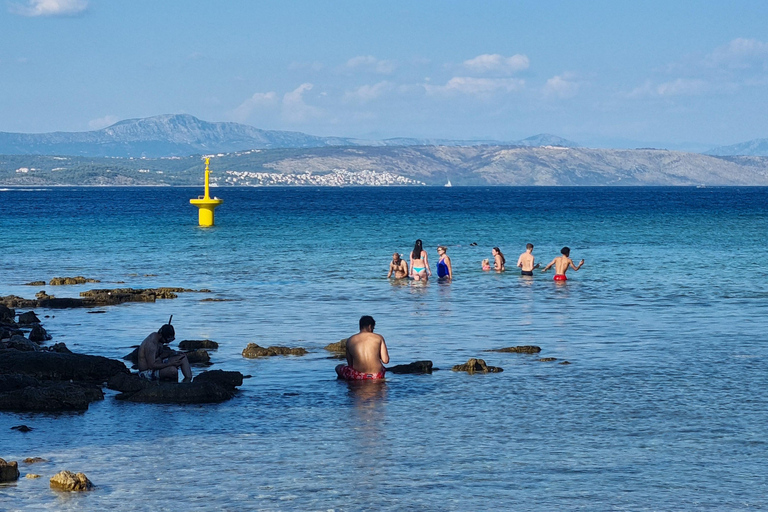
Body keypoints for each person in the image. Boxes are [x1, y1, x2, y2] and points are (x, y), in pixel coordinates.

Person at [336, 316, 389, 380]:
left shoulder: (350, 340)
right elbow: (385, 360)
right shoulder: (379, 338)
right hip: (377, 375)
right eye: (373, 328)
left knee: (338, 367)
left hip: (358, 375)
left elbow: (350, 364)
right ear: (370, 326)